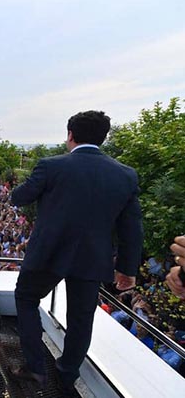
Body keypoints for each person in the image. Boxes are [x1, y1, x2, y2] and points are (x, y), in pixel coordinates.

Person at [9, 111, 143, 396]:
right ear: (103, 137)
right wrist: (127, 269)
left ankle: (34, 367)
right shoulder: (125, 175)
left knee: (26, 298)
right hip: (92, 258)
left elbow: (20, 197)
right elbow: (132, 229)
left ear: (70, 134)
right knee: (82, 319)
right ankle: (67, 373)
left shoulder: (51, 166)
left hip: (48, 253)